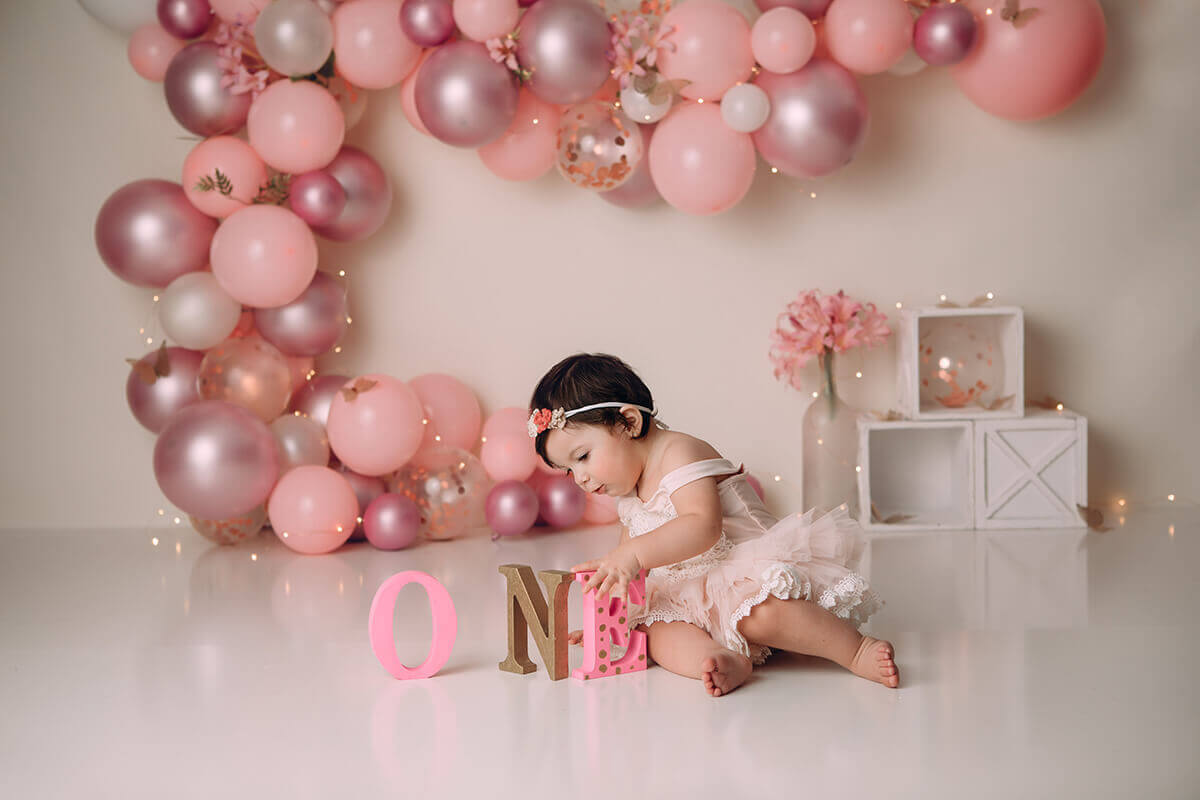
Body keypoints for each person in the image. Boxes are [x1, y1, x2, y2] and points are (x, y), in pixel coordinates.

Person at [528, 353, 898, 697]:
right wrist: (611, 623)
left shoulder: (679, 452)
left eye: (584, 457)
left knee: (759, 614)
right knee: (657, 630)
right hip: (690, 587)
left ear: (629, 422)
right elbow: (635, 568)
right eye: (569, 470)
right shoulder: (627, 493)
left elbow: (702, 526)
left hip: (744, 571)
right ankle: (722, 658)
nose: (579, 478)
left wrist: (632, 554)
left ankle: (854, 649)